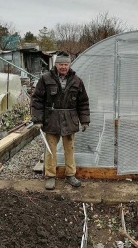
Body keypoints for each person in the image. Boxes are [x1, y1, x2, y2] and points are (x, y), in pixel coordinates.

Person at [31, 52, 90, 190]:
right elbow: (37, 100)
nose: (63, 67)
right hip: (51, 119)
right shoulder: (45, 79)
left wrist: (85, 120)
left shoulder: (77, 81)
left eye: (66, 64)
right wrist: (38, 120)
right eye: (61, 64)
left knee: (69, 149)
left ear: (69, 64)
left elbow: (83, 103)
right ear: (56, 65)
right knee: (51, 150)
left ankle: (70, 175)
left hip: (70, 120)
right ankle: (51, 176)